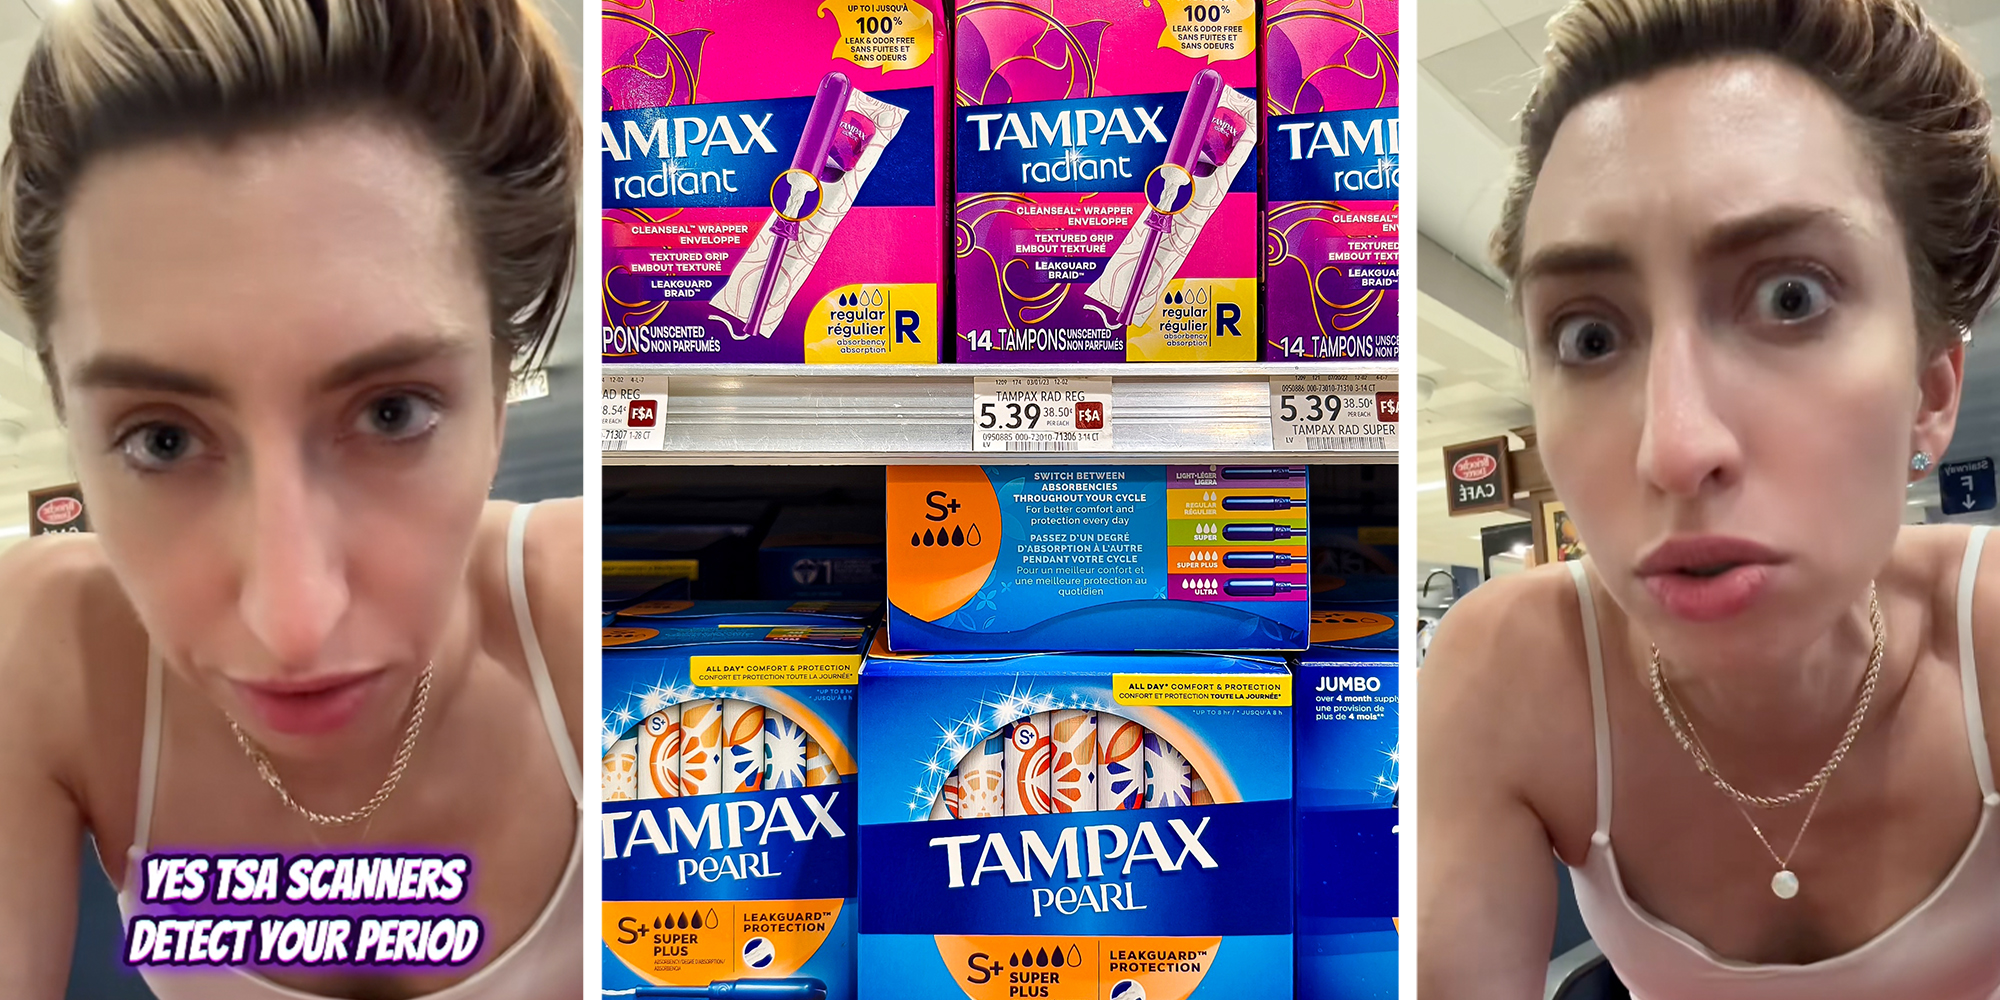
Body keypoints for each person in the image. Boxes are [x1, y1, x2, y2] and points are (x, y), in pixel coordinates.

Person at [0, 1, 583, 997]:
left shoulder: (597, 623)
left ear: (499, 390)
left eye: (392, 412)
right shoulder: (39, 655)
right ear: (67, 414)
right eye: (164, 439)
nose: (294, 619)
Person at [1419, 0, 2000, 996]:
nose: (1674, 447)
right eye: (1589, 337)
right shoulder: (1511, 679)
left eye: (1790, 296)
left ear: (1930, 390)